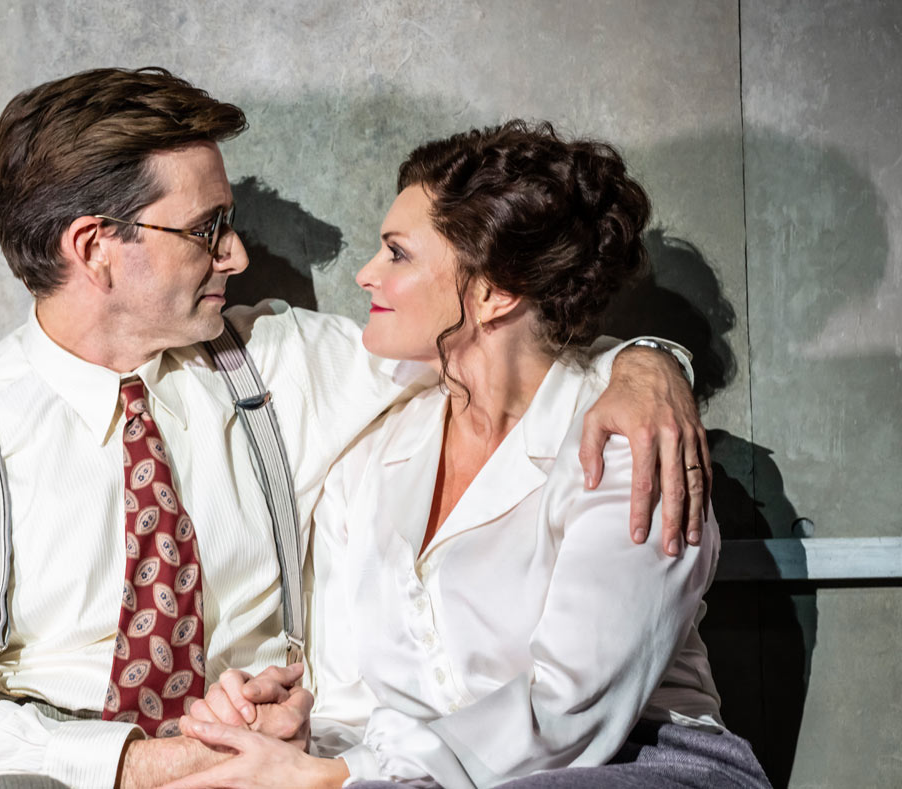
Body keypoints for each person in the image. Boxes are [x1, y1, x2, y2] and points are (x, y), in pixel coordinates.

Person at [0, 69, 710, 789]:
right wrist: (159, 762)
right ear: (93, 246)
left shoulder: (285, 361)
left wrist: (648, 359)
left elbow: (500, 332)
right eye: (206, 230)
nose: (235, 257)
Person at [166, 123, 770, 788]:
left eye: (397, 253)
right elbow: (350, 698)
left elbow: (569, 710)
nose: (366, 273)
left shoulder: (629, 440)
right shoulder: (373, 445)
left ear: (493, 292)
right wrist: (299, 736)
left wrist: (337, 777)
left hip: (638, 761)